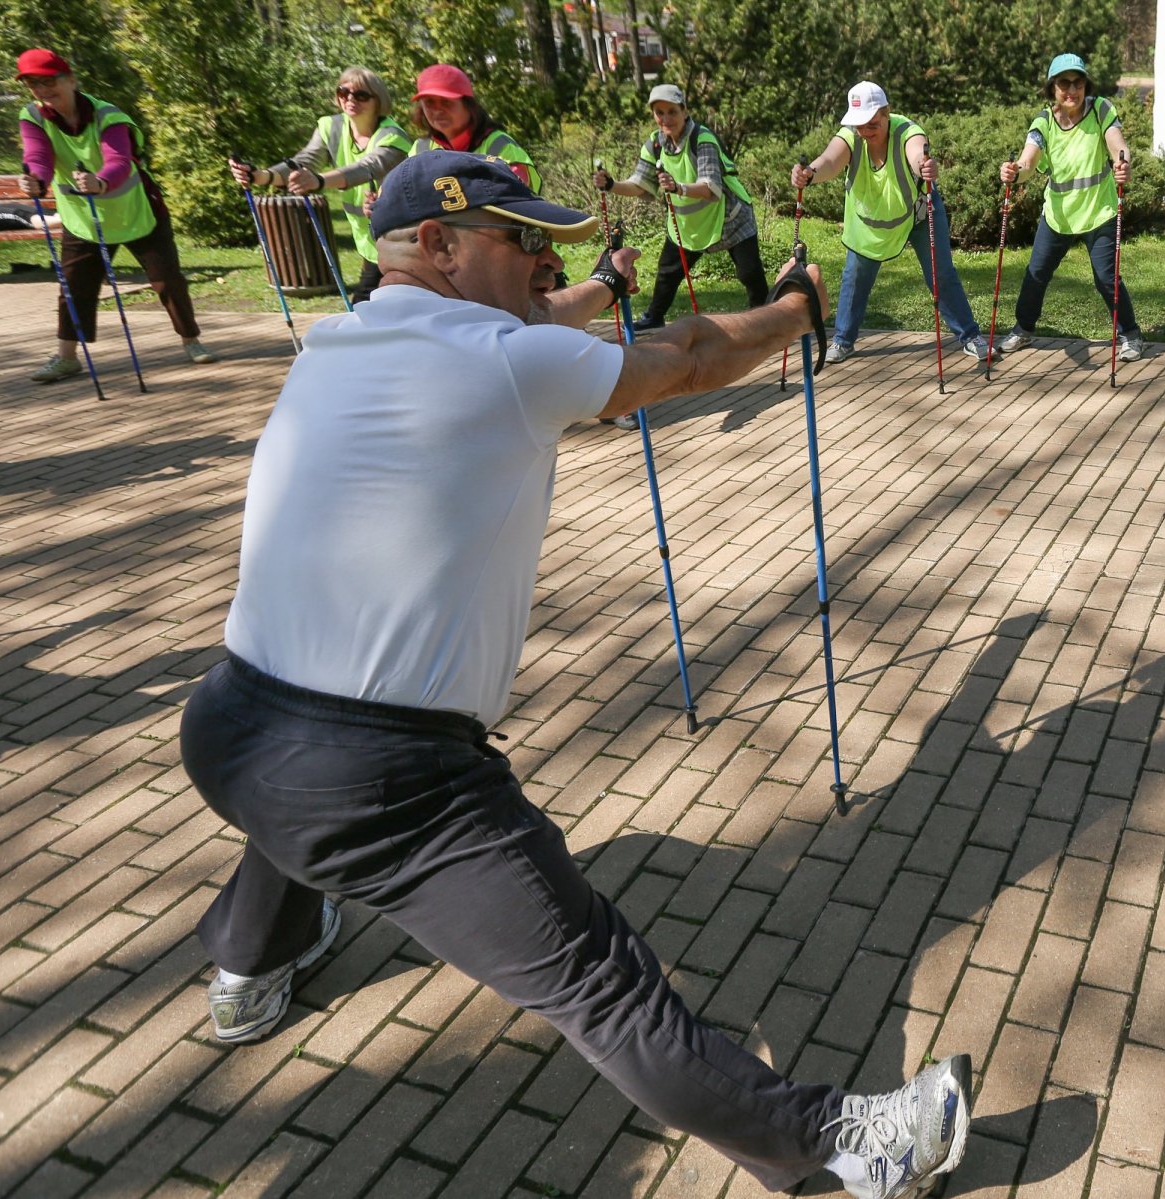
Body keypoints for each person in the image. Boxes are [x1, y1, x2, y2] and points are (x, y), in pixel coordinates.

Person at [183, 150, 973, 1199]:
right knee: (602, 983)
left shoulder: (336, 338)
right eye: (521, 241)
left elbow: (538, 316)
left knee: (295, 803)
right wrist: (792, 307)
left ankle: (246, 969)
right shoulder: (505, 359)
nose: (538, 261)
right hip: (390, 776)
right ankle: (846, 1141)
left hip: (229, 723)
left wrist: (596, 284)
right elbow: (686, 356)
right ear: (438, 245)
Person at [14, 48, 214, 382]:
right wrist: (35, 181)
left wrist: (101, 181)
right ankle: (66, 358)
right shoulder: (32, 116)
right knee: (73, 287)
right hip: (84, 219)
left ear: (72, 80)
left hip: (138, 211)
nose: (43, 89)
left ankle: (191, 341)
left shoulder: (109, 115)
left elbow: (120, 160)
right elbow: (39, 156)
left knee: (168, 280)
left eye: (49, 80)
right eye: (33, 83)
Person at [789, 82, 989, 364]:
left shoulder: (906, 130)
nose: (866, 132)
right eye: (860, 125)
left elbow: (917, 151)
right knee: (855, 277)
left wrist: (924, 165)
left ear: (887, 114)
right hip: (870, 221)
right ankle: (843, 340)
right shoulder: (851, 136)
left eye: (873, 124)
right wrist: (809, 173)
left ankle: (970, 336)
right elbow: (830, 161)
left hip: (917, 214)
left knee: (940, 274)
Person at [997, 55, 1143, 362]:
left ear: (1086, 85)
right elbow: (1029, 160)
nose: (1071, 90)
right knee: (1036, 273)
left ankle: (1130, 334)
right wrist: (1015, 171)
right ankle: (1022, 329)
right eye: (1064, 83)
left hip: (1098, 210)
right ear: (1053, 88)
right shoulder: (1044, 121)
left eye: (1078, 83)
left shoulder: (1101, 109)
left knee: (1106, 277)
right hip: (1059, 214)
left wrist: (1122, 161)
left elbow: (1118, 142)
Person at [226, 67, 411, 305]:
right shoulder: (331, 127)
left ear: (379, 100)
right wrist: (261, 176)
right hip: (370, 243)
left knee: (369, 312)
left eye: (361, 95)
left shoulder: (393, 136)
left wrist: (320, 181)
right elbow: (303, 162)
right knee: (378, 314)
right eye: (343, 92)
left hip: (401, 240)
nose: (350, 99)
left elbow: (368, 167)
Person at [594, 84, 768, 332]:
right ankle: (655, 316)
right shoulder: (654, 144)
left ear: (685, 111)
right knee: (668, 272)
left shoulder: (703, 139)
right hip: (687, 224)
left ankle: (764, 319)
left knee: (749, 273)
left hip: (731, 217)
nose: (665, 119)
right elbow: (639, 184)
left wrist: (678, 188)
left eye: (672, 112)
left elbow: (710, 187)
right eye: (659, 112)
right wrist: (611, 184)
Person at [407, 64, 537, 190]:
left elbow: (518, 200)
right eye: (429, 102)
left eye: (446, 101)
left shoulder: (500, 146)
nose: (437, 110)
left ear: (469, 105)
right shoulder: (420, 149)